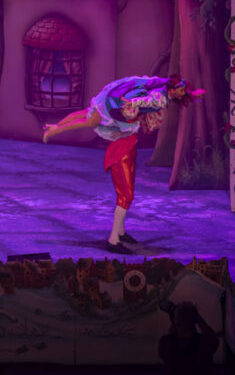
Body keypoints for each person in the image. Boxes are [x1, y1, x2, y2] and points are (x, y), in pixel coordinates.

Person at [42, 75, 204, 253]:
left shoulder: (149, 99)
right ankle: (113, 240)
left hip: (127, 142)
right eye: (180, 90)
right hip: (122, 150)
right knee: (125, 196)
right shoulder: (152, 101)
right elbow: (145, 101)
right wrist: (57, 129)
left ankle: (120, 232)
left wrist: (191, 94)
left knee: (127, 195)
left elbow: (81, 115)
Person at [158, 299, 219, 375]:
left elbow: (172, 337)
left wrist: (174, 316)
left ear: (177, 322)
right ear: (194, 321)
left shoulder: (166, 342)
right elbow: (212, 337)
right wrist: (197, 317)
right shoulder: (203, 344)